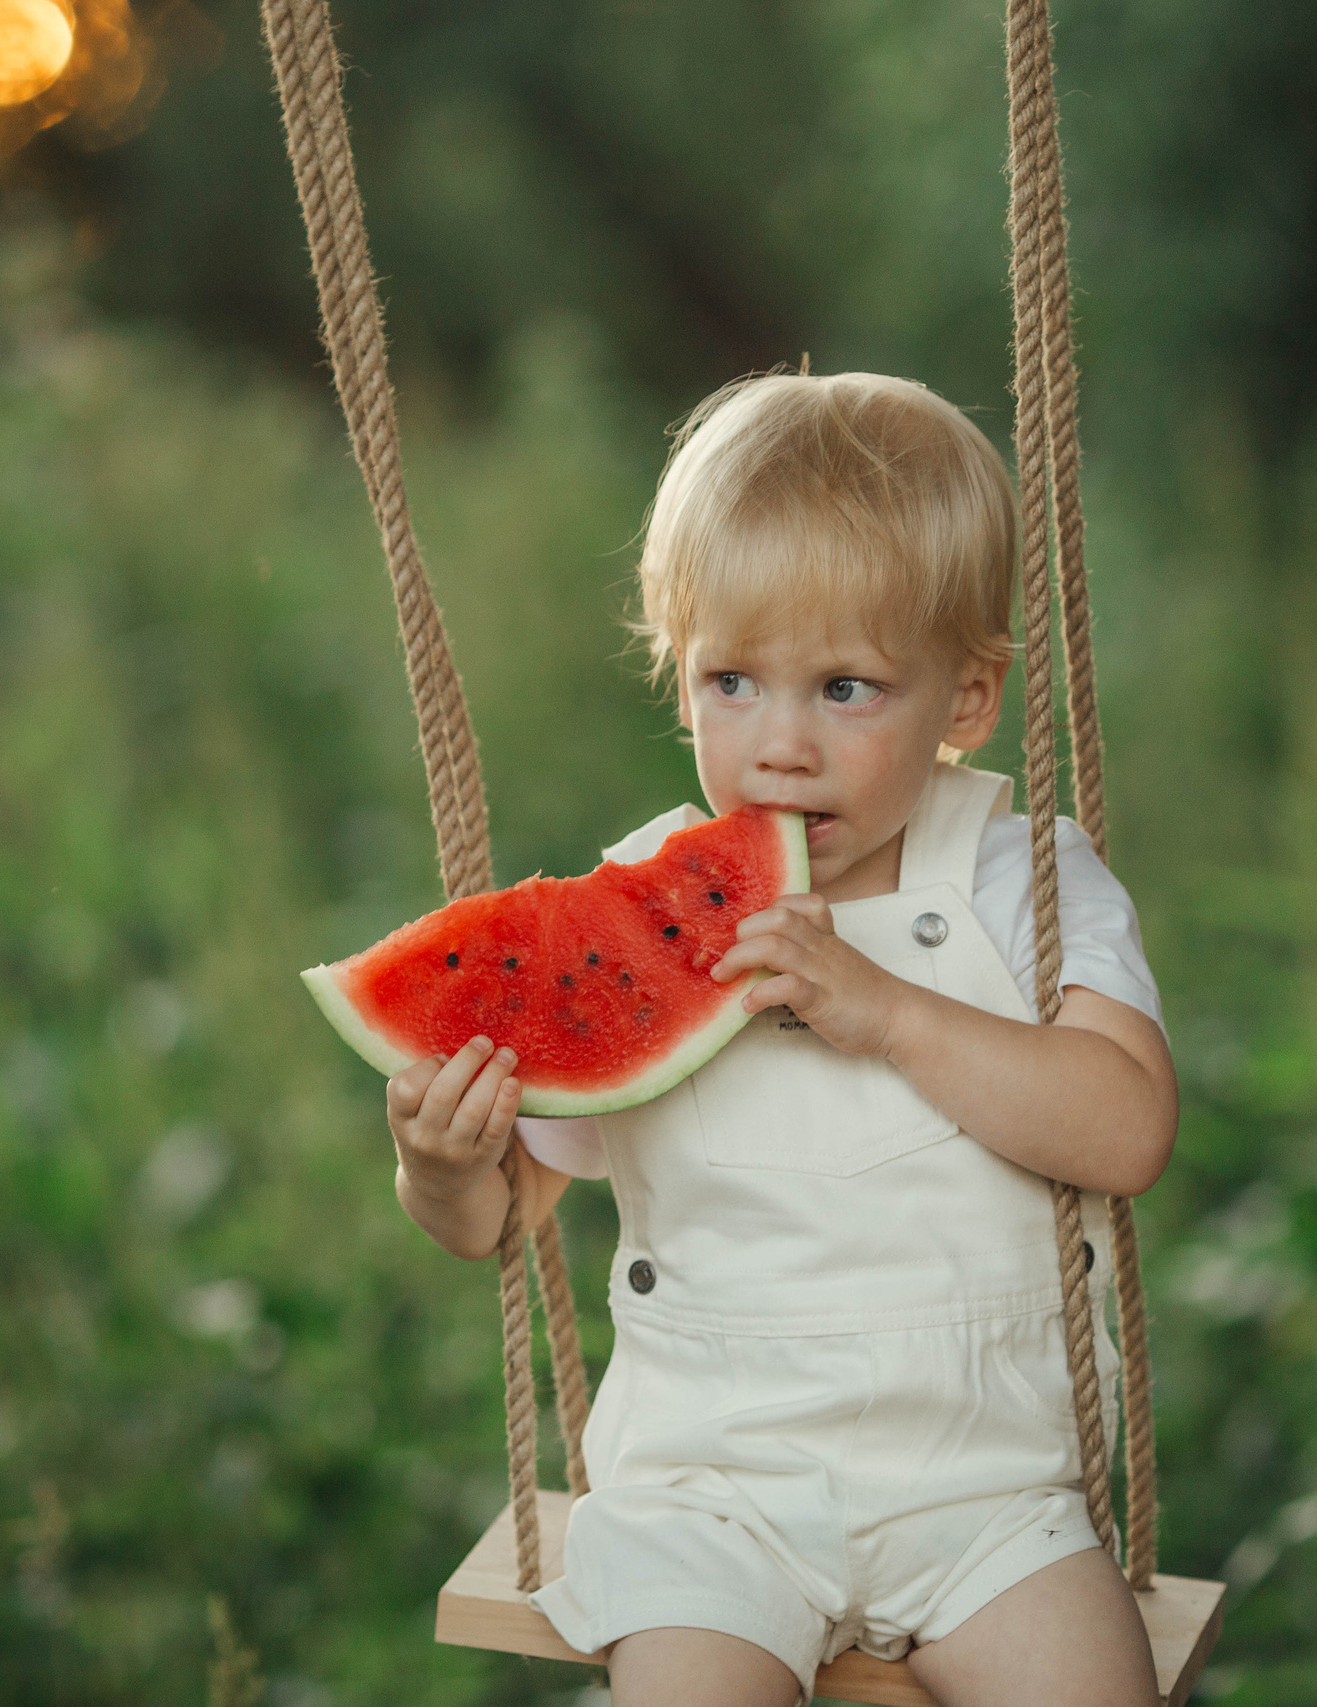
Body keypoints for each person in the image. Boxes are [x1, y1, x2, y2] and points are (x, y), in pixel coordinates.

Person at [384, 371, 1177, 1707]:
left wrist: (888, 1013)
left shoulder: (1024, 880)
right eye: (733, 681)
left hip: (986, 1494)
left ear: (968, 700)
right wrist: (448, 1168)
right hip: (713, 1495)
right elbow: (501, 1216)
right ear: (679, 675)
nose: (781, 749)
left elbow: (1126, 1128)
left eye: (849, 688)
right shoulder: (638, 904)